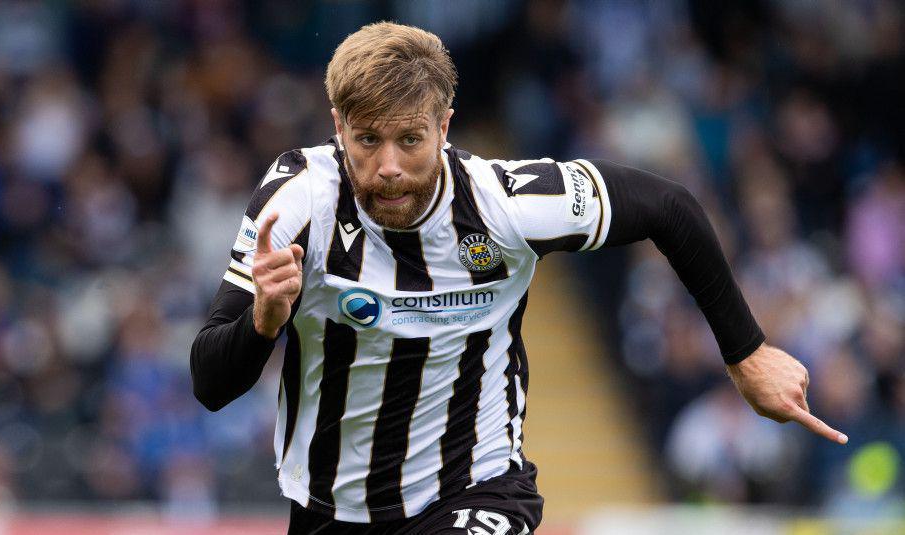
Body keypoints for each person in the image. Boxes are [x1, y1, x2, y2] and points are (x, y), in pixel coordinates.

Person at [190, 22, 847, 534]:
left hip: (474, 487)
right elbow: (210, 381)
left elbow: (668, 206)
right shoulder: (297, 202)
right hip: (329, 504)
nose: (388, 165)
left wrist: (746, 352)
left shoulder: (507, 203)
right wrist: (261, 324)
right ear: (337, 128)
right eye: (366, 141)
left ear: (443, 127)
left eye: (410, 140)